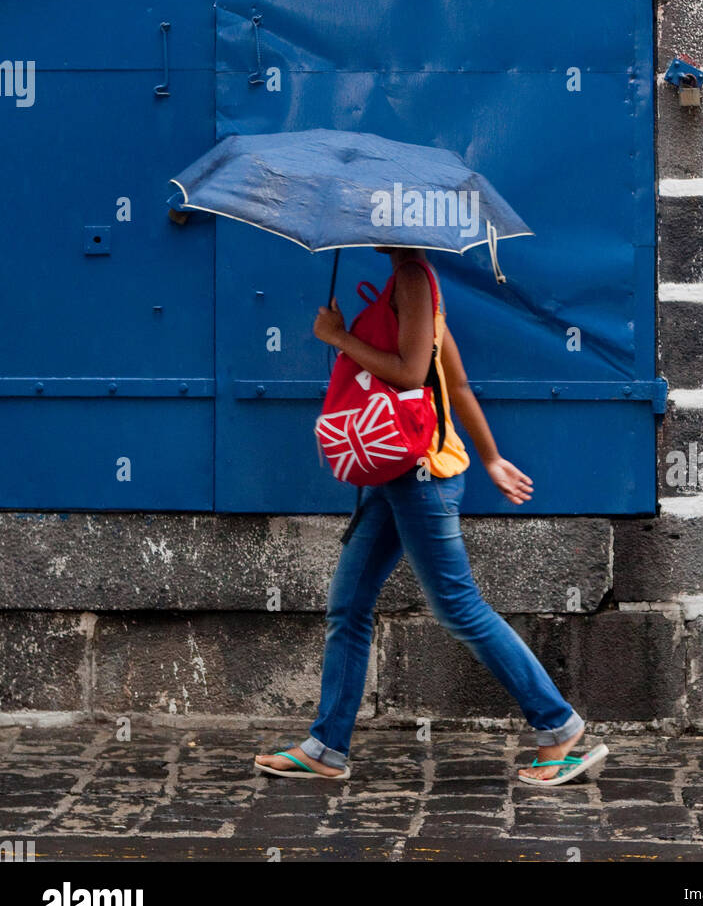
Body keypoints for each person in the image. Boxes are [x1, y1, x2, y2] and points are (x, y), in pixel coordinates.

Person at [255, 247, 607, 786]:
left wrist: (337, 337)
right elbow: (455, 381)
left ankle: (558, 726)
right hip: (394, 474)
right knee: (348, 607)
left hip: (420, 474)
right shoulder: (412, 282)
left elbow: (411, 373)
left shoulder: (414, 279)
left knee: (459, 608)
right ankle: (326, 748)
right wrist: (490, 457)